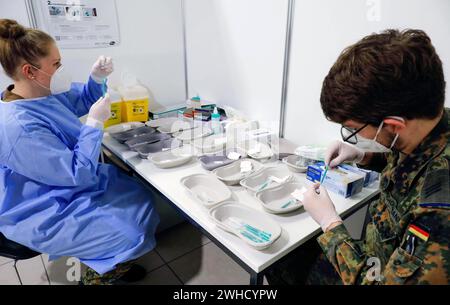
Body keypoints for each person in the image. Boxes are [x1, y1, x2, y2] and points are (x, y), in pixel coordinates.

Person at [267, 29, 449, 285]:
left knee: (281, 263)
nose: (352, 135)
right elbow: (410, 165)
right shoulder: (430, 120)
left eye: (354, 130)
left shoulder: (438, 213)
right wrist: (363, 155)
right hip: (375, 253)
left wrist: (330, 224)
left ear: (394, 125)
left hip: (375, 274)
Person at [0, 19, 160, 285]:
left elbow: (81, 100)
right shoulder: (17, 126)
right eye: (56, 64)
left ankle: (112, 263)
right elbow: (77, 173)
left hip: (64, 185)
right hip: (42, 207)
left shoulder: (34, 97)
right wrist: (95, 124)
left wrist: (97, 78)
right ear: (30, 71)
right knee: (131, 232)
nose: (60, 69)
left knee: (138, 194)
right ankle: (98, 276)